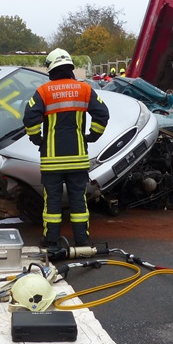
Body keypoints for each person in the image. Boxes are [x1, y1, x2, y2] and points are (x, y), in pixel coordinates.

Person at [23, 48, 109, 248]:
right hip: (78, 158)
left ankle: (51, 240)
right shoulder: (85, 89)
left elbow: (30, 117)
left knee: (52, 202)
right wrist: (92, 136)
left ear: (50, 68)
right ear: (70, 66)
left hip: (52, 160)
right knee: (78, 200)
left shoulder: (44, 91)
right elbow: (102, 114)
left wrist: (37, 139)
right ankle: (82, 240)